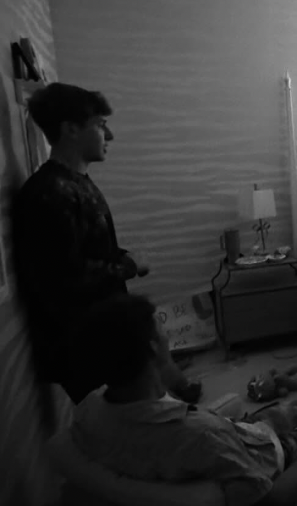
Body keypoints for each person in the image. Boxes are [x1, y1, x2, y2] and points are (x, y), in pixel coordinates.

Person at [71, 293, 297, 506]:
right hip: (268, 457)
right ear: (151, 350)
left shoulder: (90, 410)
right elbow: (274, 503)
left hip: (240, 436)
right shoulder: (198, 436)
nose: (170, 344)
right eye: (163, 337)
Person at [11, 83, 200, 405]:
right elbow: (60, 278)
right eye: (100, 125)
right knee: (126, 427)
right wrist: (127, 266)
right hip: (84, 343)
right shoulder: (49, 194)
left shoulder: (76, 182)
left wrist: (124, 257)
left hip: (103, 325)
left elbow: (86, 248)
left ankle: (176, 388)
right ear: (71, 129)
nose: (109, 136)